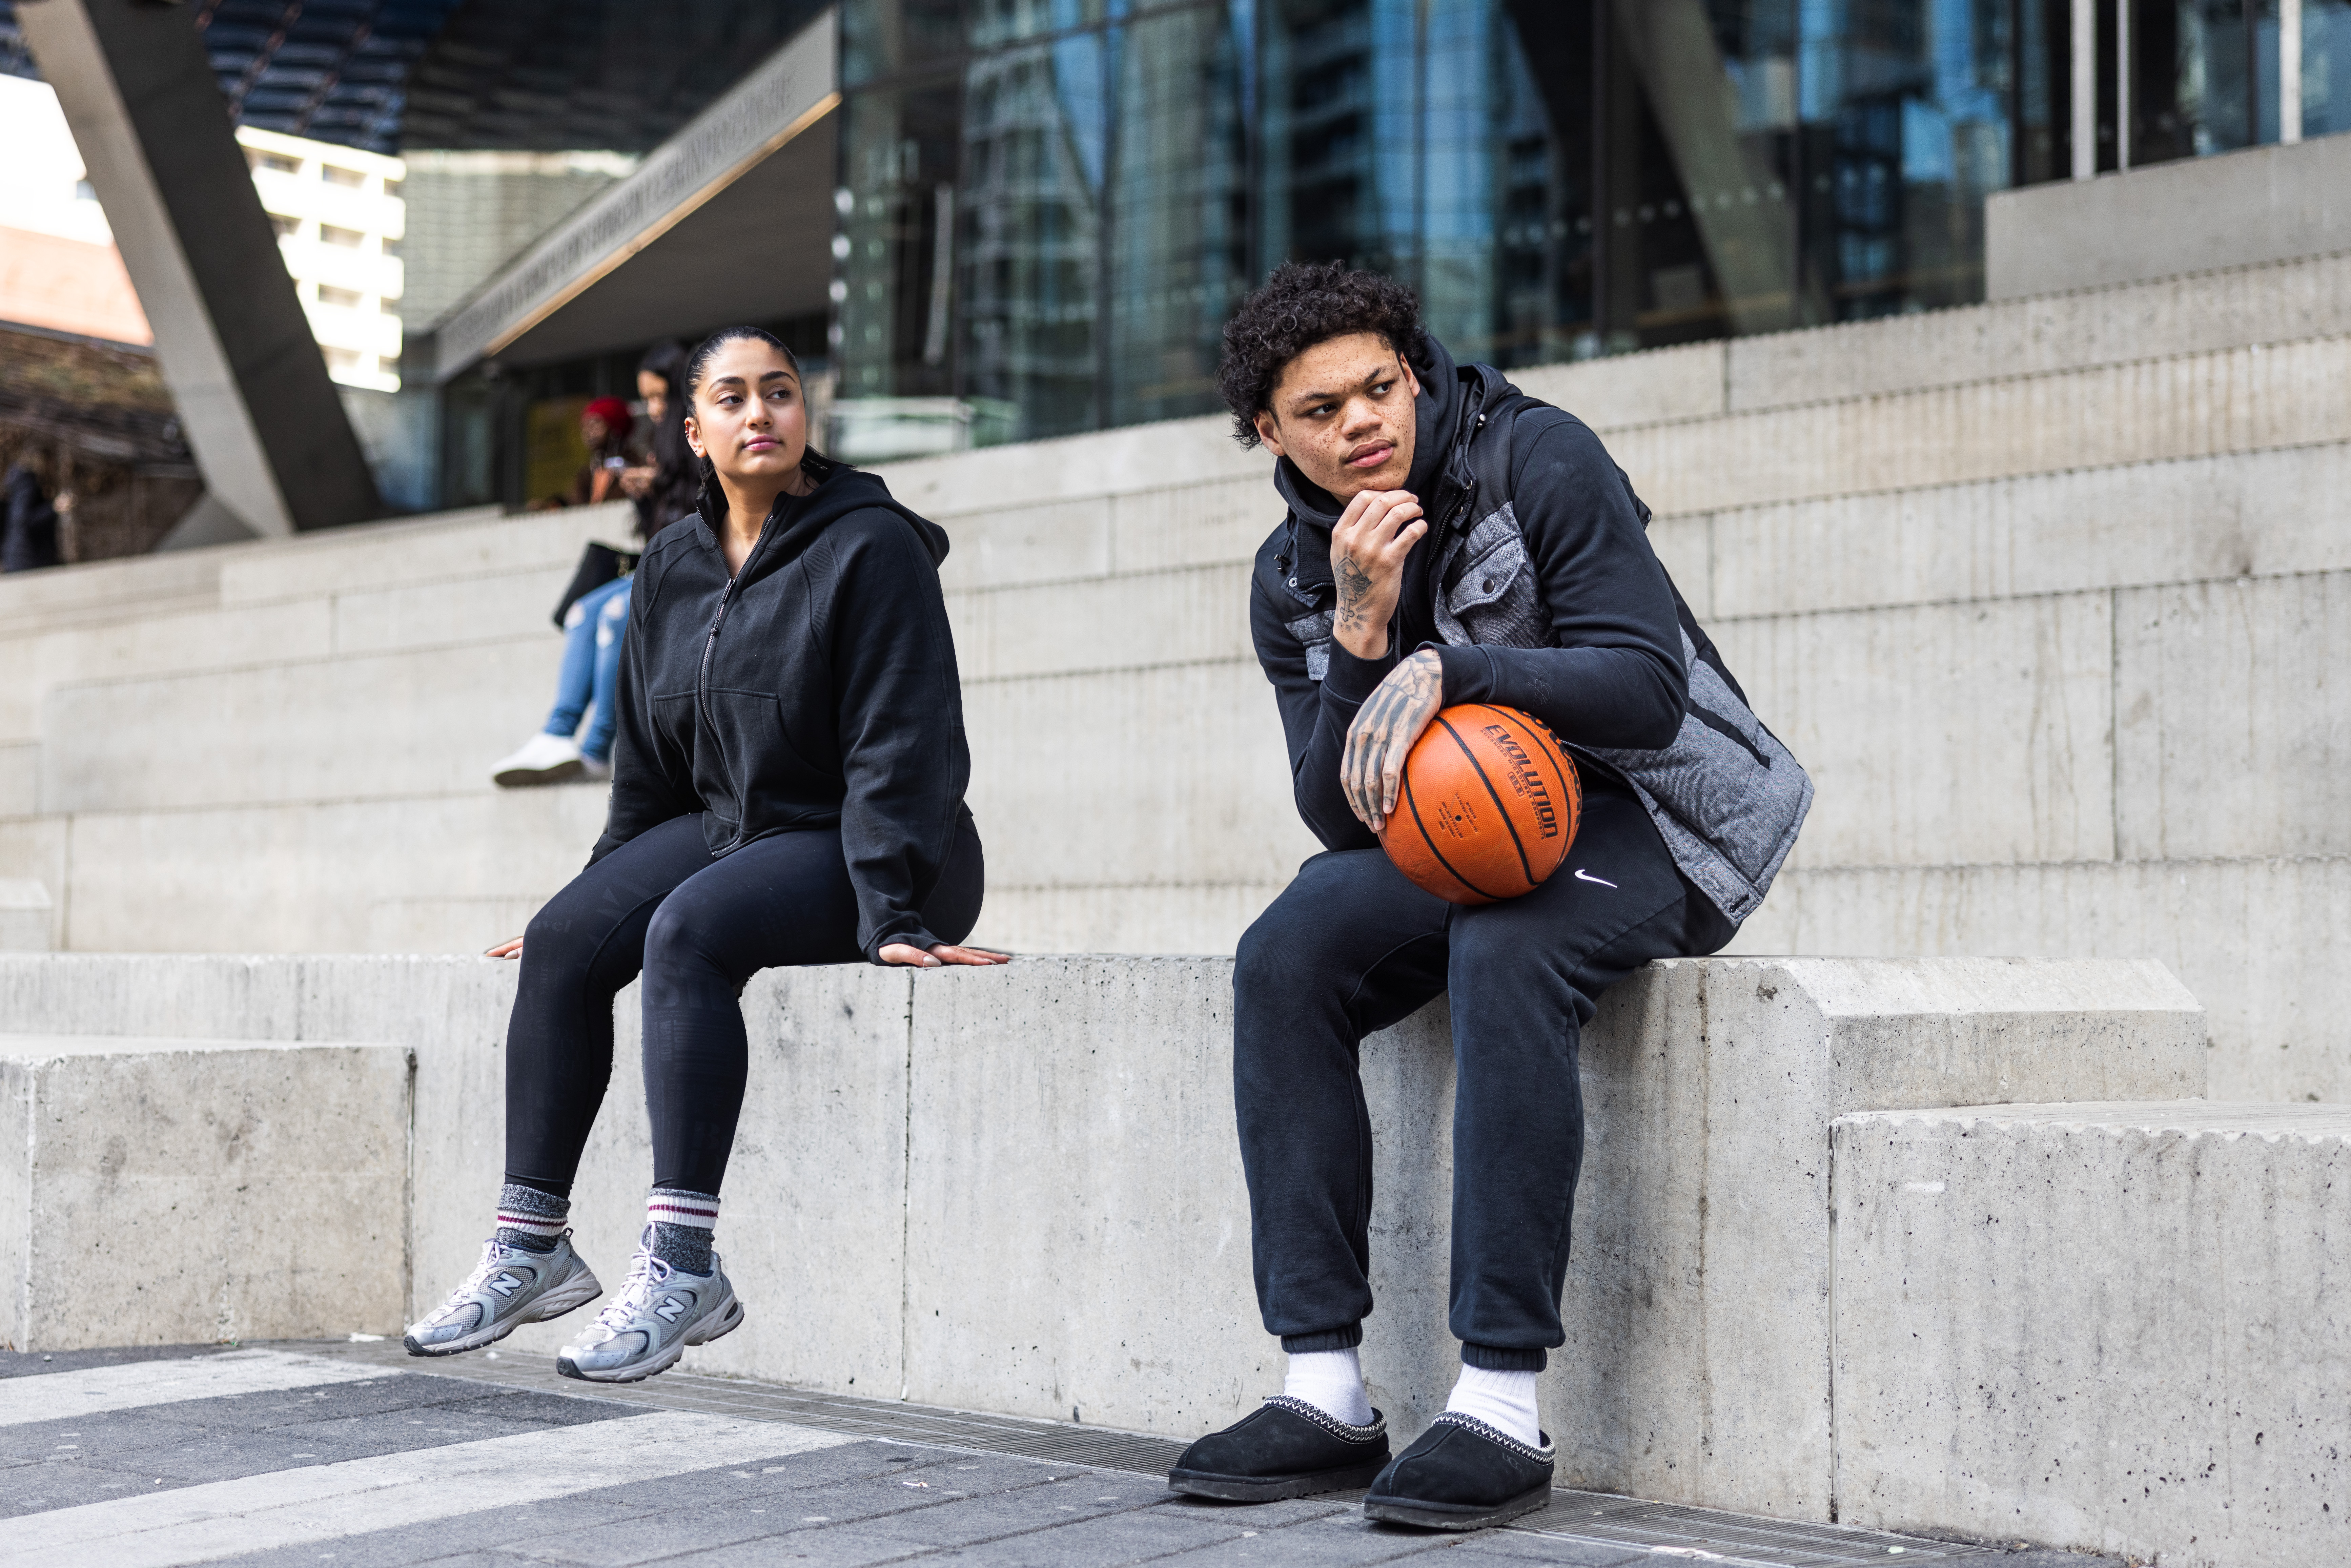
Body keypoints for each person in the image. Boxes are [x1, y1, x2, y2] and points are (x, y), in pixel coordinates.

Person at [1166, 263, 1812, 1529]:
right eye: (1320, 409)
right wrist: (1359, 637)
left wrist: (1454, 668)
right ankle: (1323, 1388)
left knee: (1506, 951)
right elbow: (1331, 810)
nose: (1362, 421)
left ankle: (1500, 1402)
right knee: (1283, 953)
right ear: (1266, 433)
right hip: (1476, 821)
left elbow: (1643, 686)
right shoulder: (1295, 573)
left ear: (1413, 371)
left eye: (1379, 386)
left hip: (1658, 815)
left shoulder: (1536, 459)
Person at [406, 325, 1007, 1383]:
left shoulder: (872, 544)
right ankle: (530, 1246)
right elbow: (646, 763)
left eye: (779, 392)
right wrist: (598, 895)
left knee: (688, 931)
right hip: (738, 825)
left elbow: (903, 744)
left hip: (883, 843)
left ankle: (683, 1266)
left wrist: (891, 912)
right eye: (732, 398)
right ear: (695, 430)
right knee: (562, 939)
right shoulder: (673, 566)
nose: (761, 413)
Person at [491, 345, 694, 787]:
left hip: (691, 565)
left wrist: (658, 481)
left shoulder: (697, 439)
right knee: (583, 611)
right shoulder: (661, 445)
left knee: (618, 615)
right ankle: (557, 732)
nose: (655, 409)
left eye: (661, 397)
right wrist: (646, 494)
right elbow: (657, 528)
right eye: (649, 399)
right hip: (660, 561)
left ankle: (598, 748)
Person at [2, 460, 62, 573]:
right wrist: (54, 509)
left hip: (20, 559)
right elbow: (24, 520)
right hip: (27, 559)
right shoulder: (26, 485)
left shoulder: (19, 487)